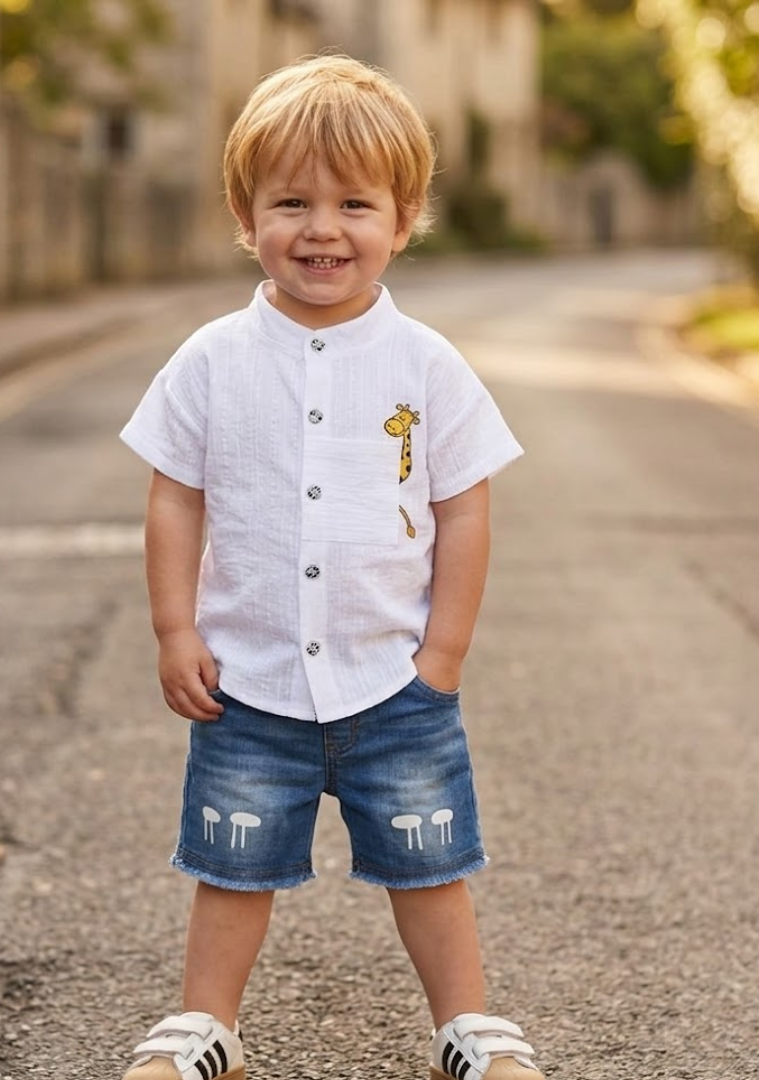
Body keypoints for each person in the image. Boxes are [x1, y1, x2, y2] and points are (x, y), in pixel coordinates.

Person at [119, 53, 545, 1080]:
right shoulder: (213, 359)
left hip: (394, 680)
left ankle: (468, 1027)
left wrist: (442, 654)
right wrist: (177, 630)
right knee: (231, 864)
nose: (323, 228)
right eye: (292, 202)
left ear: (402, 221)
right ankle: (203, 1025)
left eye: (356, 204)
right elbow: (176, 493)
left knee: (430, 863)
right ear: (245, 213)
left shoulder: (428, 366)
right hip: (250, 683)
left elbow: (463, 506)